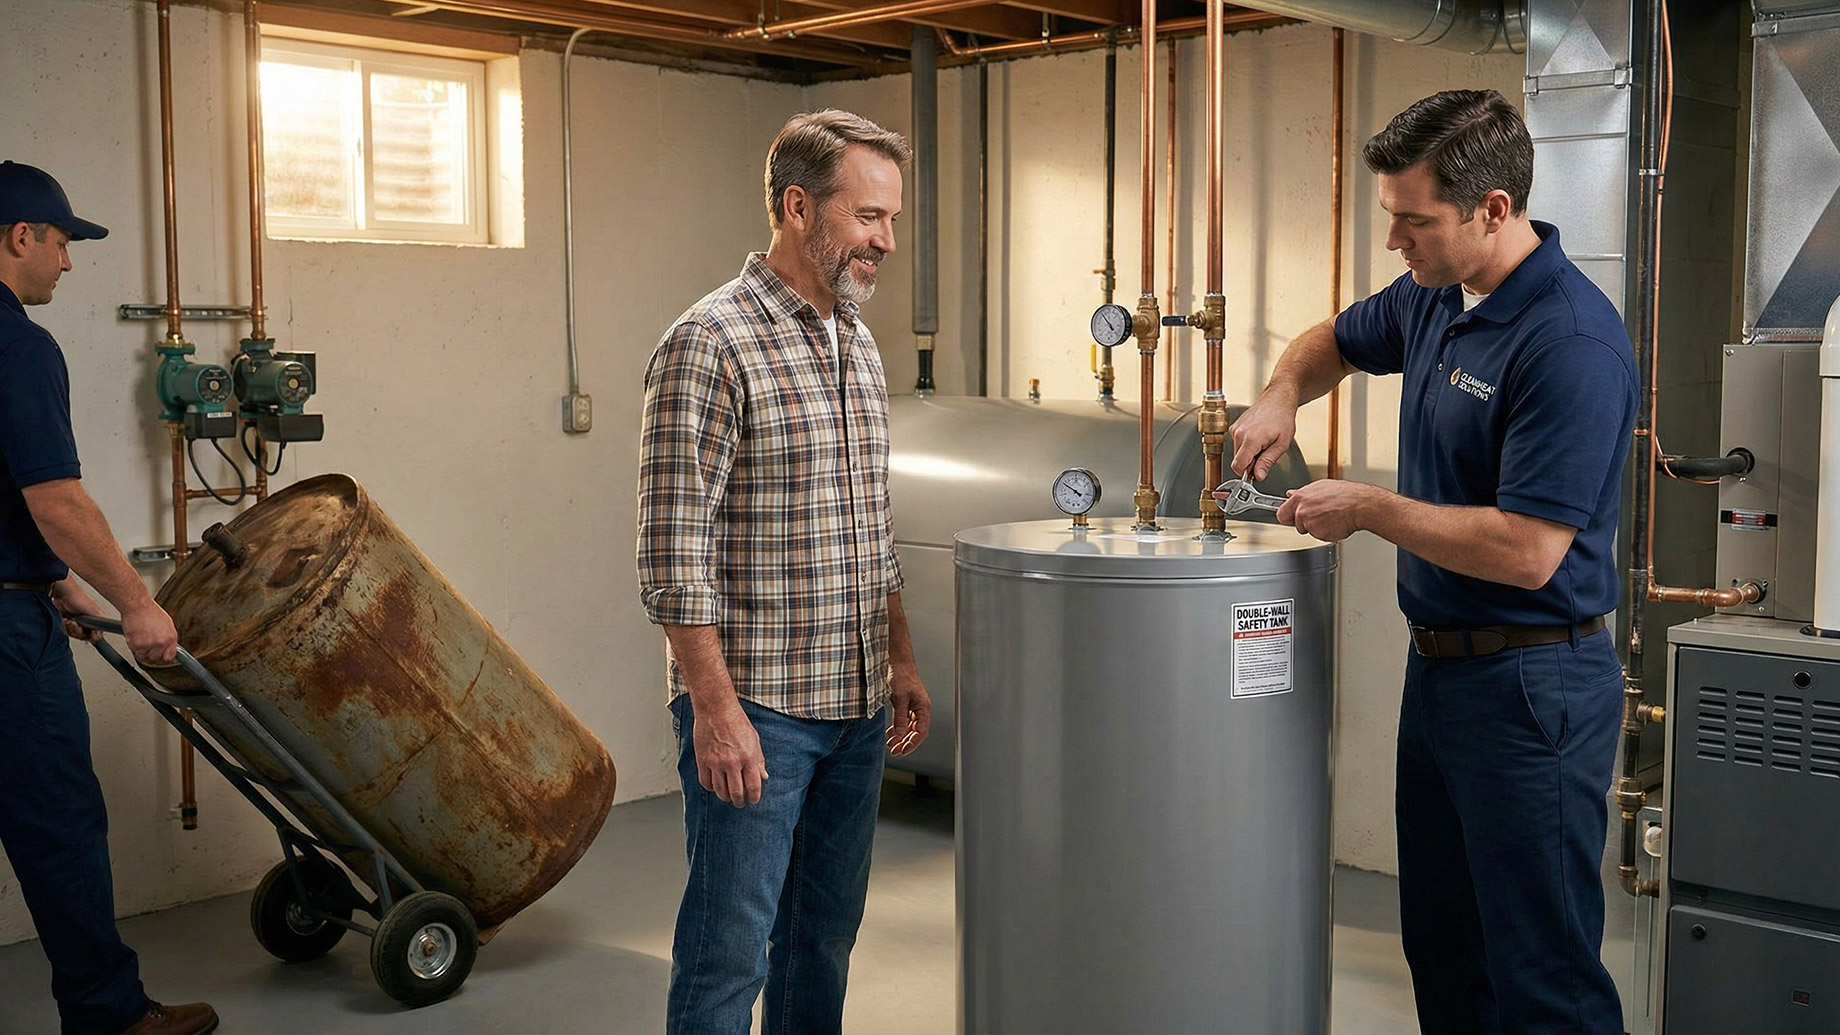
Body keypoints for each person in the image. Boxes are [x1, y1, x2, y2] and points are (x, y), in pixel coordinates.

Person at [1229, 91, 1635, 1033]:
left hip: (1535, 683)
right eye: (1392, 218)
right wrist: (1281, 392)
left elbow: (1529, 551)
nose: (1394, 243)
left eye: (1414, 221)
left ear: (1492, 209)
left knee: (1543, 973)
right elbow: (1331, 339)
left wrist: (1367, 506)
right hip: (1443, 675)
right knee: (1447, 953)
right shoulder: (1434, 294)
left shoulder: (1568, 342)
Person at [636, 110, 932, 1035]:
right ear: (799, 208)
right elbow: (672, 557)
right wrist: (716, 714)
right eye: (868, 216)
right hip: (757, 710)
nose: (886, 239)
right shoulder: (710, 343)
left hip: (852, 706)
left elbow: (869, 527)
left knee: (821, 943)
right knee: (728, 951)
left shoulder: (857, 340)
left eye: (891, 219)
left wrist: (901, 659)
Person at [0, 160, 219, 1035]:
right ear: (21, 236)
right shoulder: (16, 343)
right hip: (6, 638)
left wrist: (43, 578)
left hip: (19, 595)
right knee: (56, 823)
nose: (67, 262)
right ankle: (109, 1017)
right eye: (60, 242)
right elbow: (54, 499)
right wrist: (134, 601)